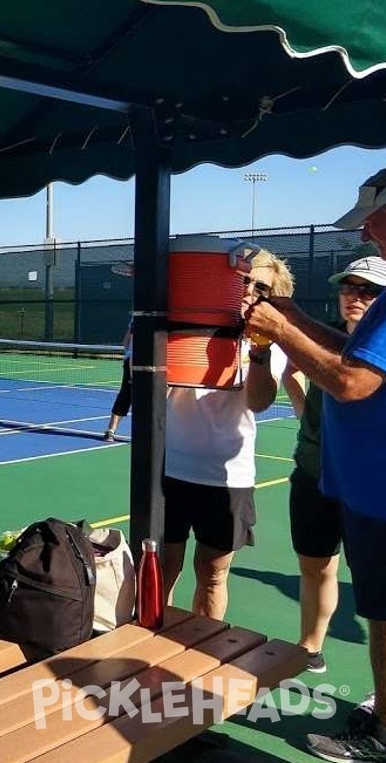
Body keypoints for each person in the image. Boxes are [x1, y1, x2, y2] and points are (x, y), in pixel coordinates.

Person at [245, 167, 386, 763]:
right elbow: (350, 351)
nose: (368, 237)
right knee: (380, 610)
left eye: (374, 225)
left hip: (383, 495)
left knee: (385, 614)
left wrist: (279, 326)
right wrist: (290, 316)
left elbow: (353, 382)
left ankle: (384, 735)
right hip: (369, 491)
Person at [161, 249, 293, 622]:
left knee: (213, 575)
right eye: (243, 281)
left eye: (260, 286)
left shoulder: (267, 344)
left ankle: (203, 654)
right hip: (171, 467)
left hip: (227, 478)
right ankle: (151, 643)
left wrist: (259, 350)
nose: (248, 290)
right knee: (162, 567)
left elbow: (259, 401)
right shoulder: (183, 325)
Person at [281, 256, 386, 677]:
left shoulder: (375, 341)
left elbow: (349, 383)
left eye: (369, 290)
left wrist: (282, 329)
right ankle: (311, 648)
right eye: (349, 288)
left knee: (380, 601)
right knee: (320, 567)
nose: (355, 297)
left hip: (371, 485)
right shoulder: (339, 339)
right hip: (323, 472)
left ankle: (383, 716)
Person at [103, 317, 134, 442]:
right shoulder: (136, 319)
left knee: (125, 396)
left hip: (138, 362)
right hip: (136, 362)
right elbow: (127, 342)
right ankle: (110, 431)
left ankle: (110, 431)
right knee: (125, 396)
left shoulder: (135, 318)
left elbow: (125, 343)